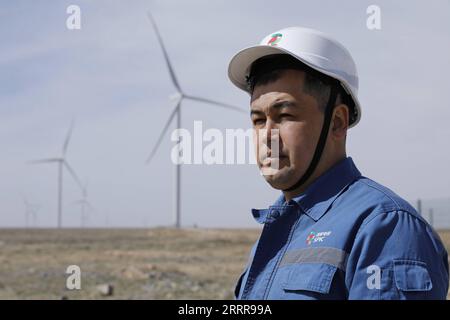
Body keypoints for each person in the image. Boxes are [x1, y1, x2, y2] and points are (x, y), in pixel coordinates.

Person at [227, 26, 449, 300]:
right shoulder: (277, 230)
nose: (267, 137)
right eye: (258, 120)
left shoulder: (385, 228)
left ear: (337, 122)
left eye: (284, 115)